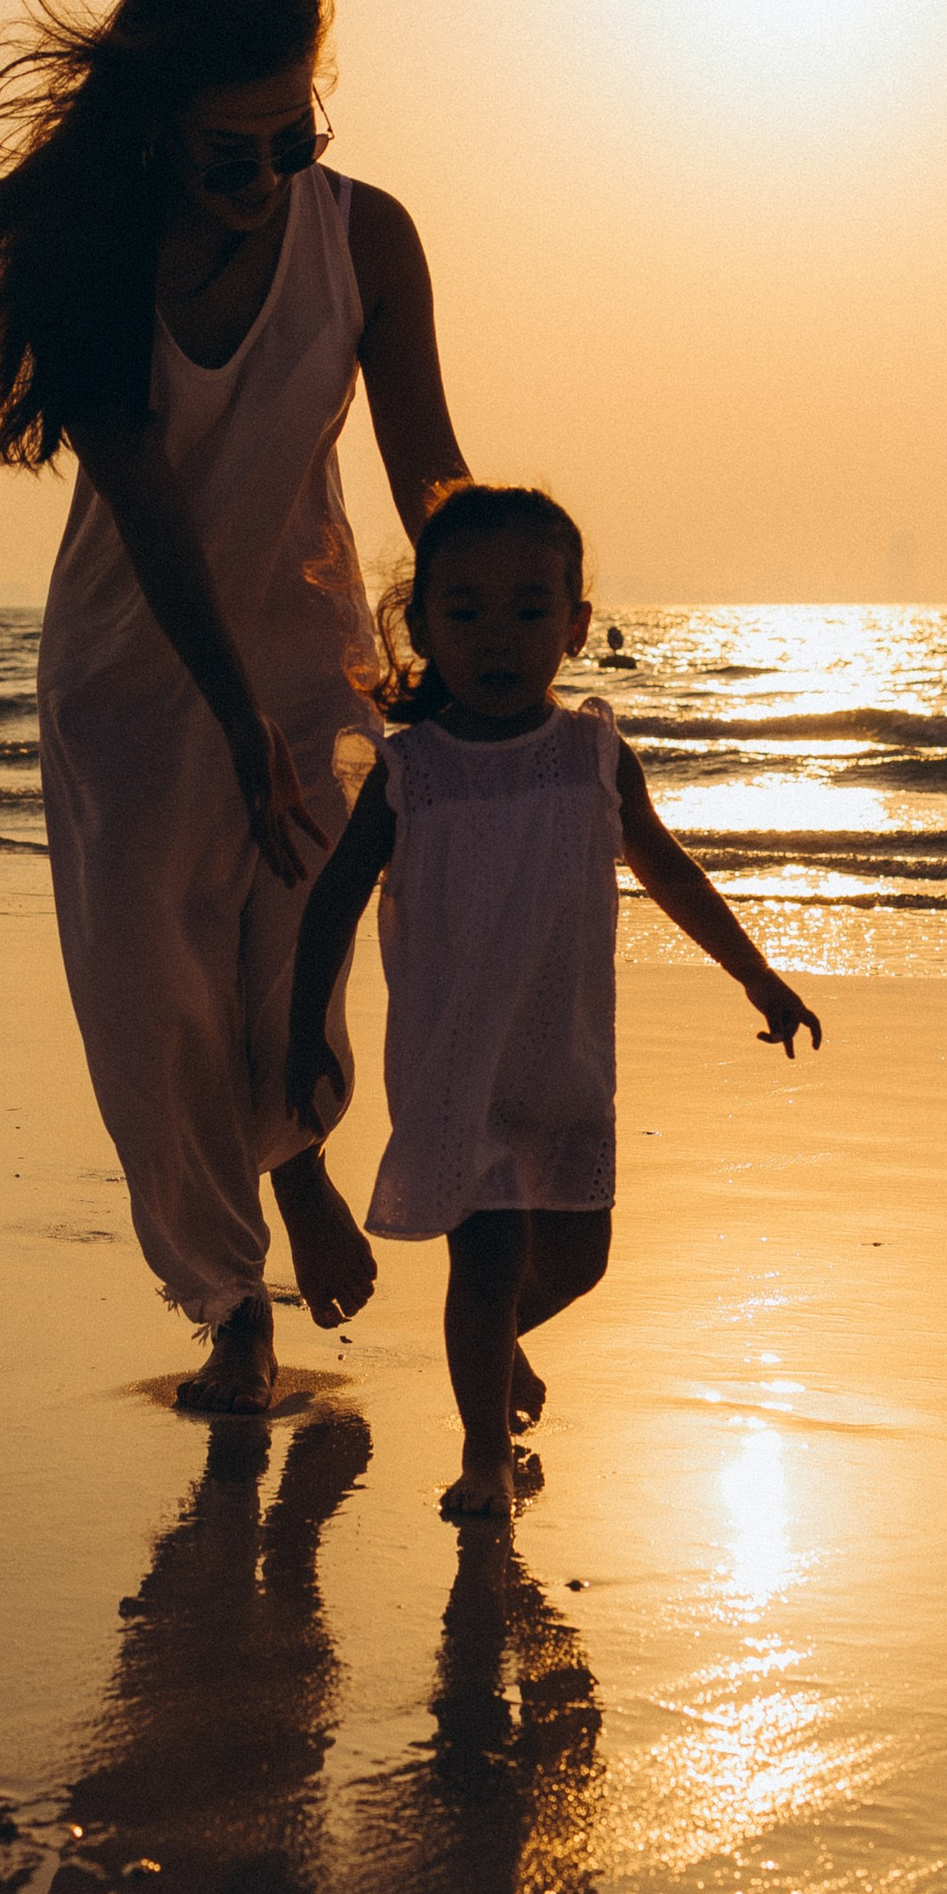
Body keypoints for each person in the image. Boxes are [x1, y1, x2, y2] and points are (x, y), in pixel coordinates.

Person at [0, 0, 468, 1411]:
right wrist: (231, 716)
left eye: (295, 136)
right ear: (154, 122)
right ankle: (224, 1300)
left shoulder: (367, 239)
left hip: (313, 649)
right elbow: (149, 511)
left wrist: (486, 629)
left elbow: (427, 464)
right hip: (138, 668)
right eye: (229, 149)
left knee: (296, 957)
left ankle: (302, 1160)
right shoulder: (94, 255)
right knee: (162, 996)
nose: (266, 174)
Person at [284, 484, 822, 1521]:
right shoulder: (414, 773)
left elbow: (667, 871)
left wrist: (757, 974)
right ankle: (484, 1456)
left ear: (575, 626)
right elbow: (333, 901)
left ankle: (492, 1357)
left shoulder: (590, 756)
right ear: (423, 625)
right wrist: (305, 1026)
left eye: (530, 612)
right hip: (455, 1064)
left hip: (564, 1064)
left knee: (578, 1258)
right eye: (467, 612)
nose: (498, 638)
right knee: (484, 1256)